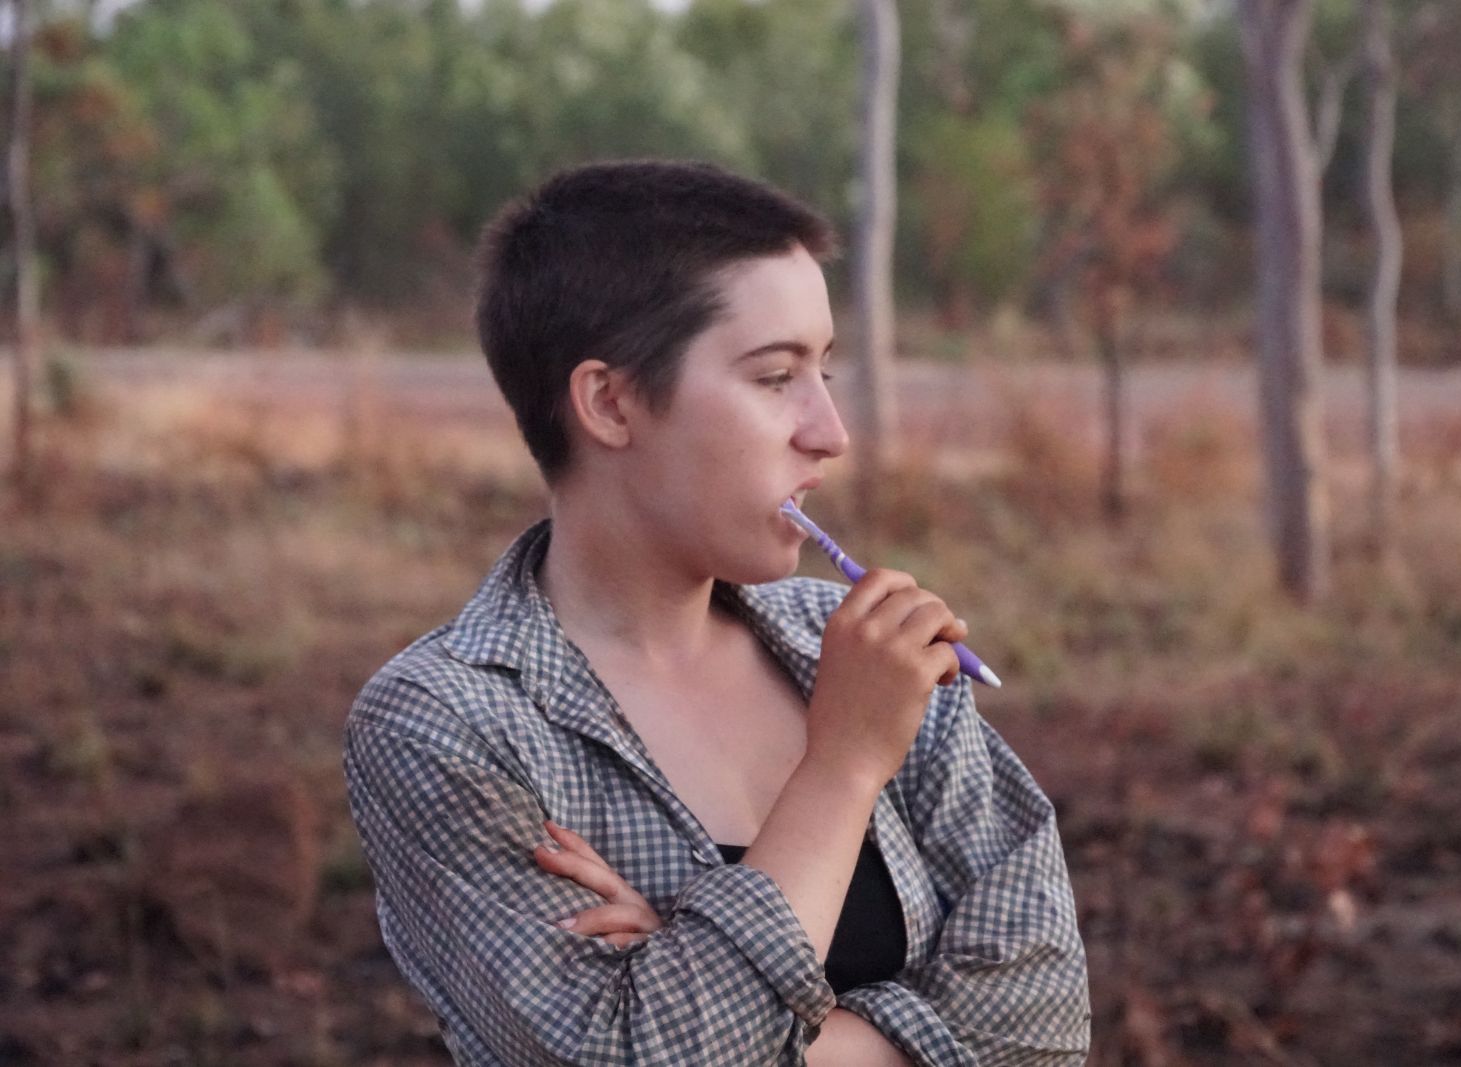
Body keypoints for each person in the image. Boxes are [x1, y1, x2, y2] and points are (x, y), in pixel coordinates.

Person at [343, 159, 1091, 1066]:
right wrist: (845, 765)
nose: (830, 431)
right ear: (610, 403)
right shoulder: (449, 723)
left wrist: (707, 986)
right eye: (776, 377)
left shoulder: (852, 645)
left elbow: (1042, 1021)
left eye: (825, 368)